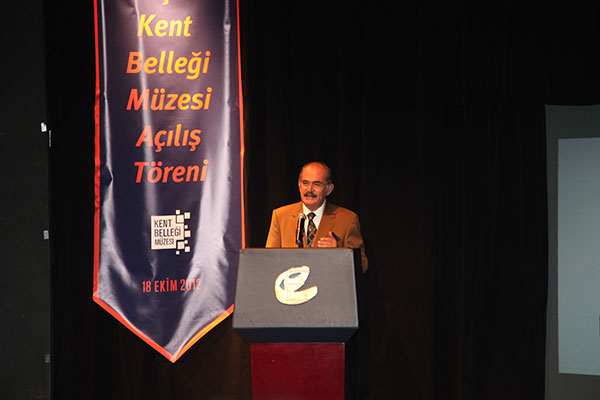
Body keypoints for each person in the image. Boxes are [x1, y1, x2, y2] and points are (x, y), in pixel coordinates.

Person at [266, 161, 368, 272]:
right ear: (299, 185)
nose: (309, 189)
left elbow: (362, 265)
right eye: (305, 183)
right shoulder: (281, 216)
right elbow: (268, 260)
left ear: (329, 189)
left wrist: (339, 252)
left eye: (316, 184)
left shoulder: (348, 219)